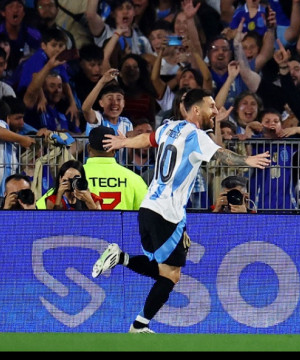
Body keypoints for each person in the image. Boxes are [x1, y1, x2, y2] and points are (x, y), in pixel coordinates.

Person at [92, 88, 270, 333]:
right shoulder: (196, 136)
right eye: (211, 106)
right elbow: (219, 155)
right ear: (196, 110)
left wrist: (123, 142)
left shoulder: (169, 127)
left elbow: (147, 139)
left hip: (149, 207)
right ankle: (138, 326)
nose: (215, 111)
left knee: (163, 268)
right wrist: (246, 161)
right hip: (167, 213)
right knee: (170, 275)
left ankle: (120, 259)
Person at [83, 126, 147, 210]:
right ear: (114, 149)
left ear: (89, 149)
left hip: (87, 223)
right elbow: (145, 210)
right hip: (124, 223)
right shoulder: (134, 179)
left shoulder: (76, 175)